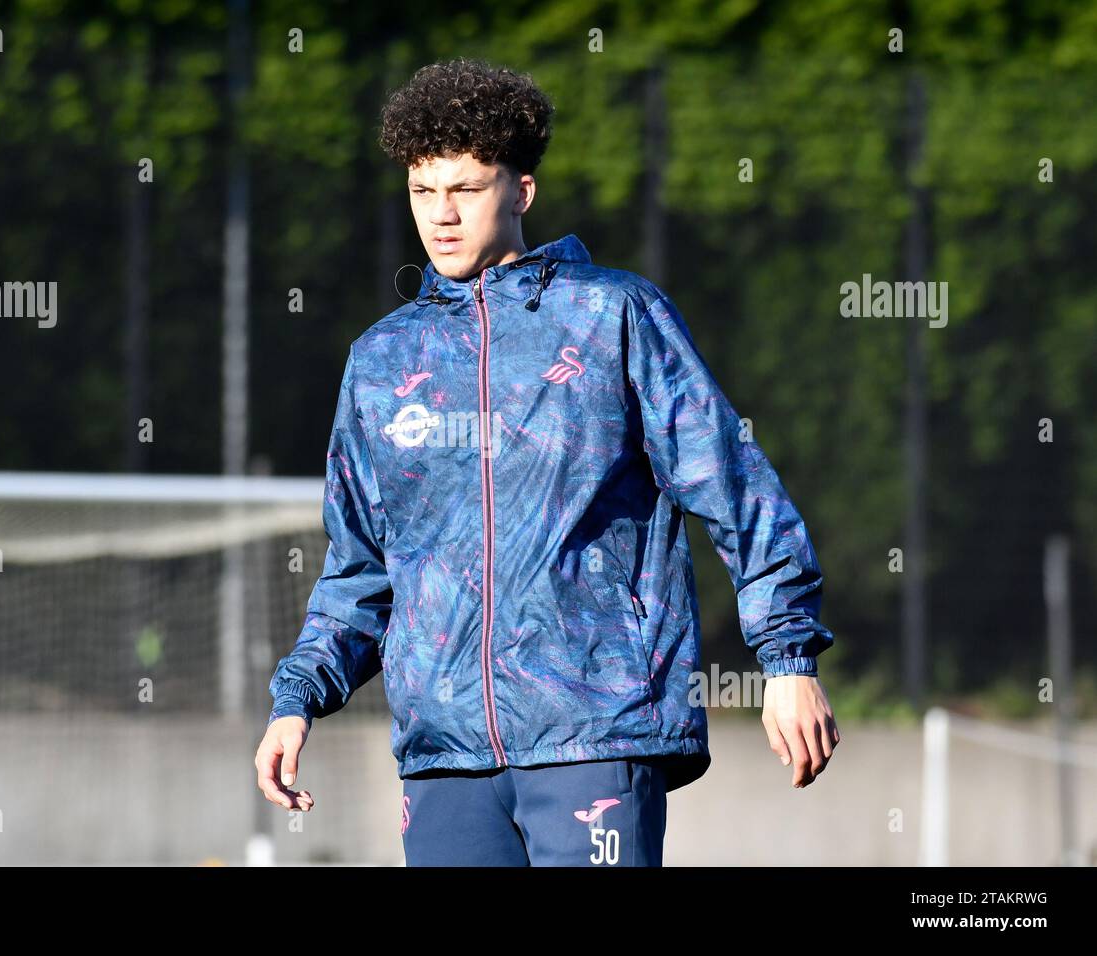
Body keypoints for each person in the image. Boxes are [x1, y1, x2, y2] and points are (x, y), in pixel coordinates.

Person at [255, 57, 840, 866]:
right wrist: (297, 700)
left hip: (594, 729)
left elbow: (732, 484)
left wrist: (786, 657)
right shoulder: (383, 362)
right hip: (444, 754)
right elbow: (359, 565)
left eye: (465, 189)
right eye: (424, 191)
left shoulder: (615, 314)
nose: (441, 215)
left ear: (520, 192)